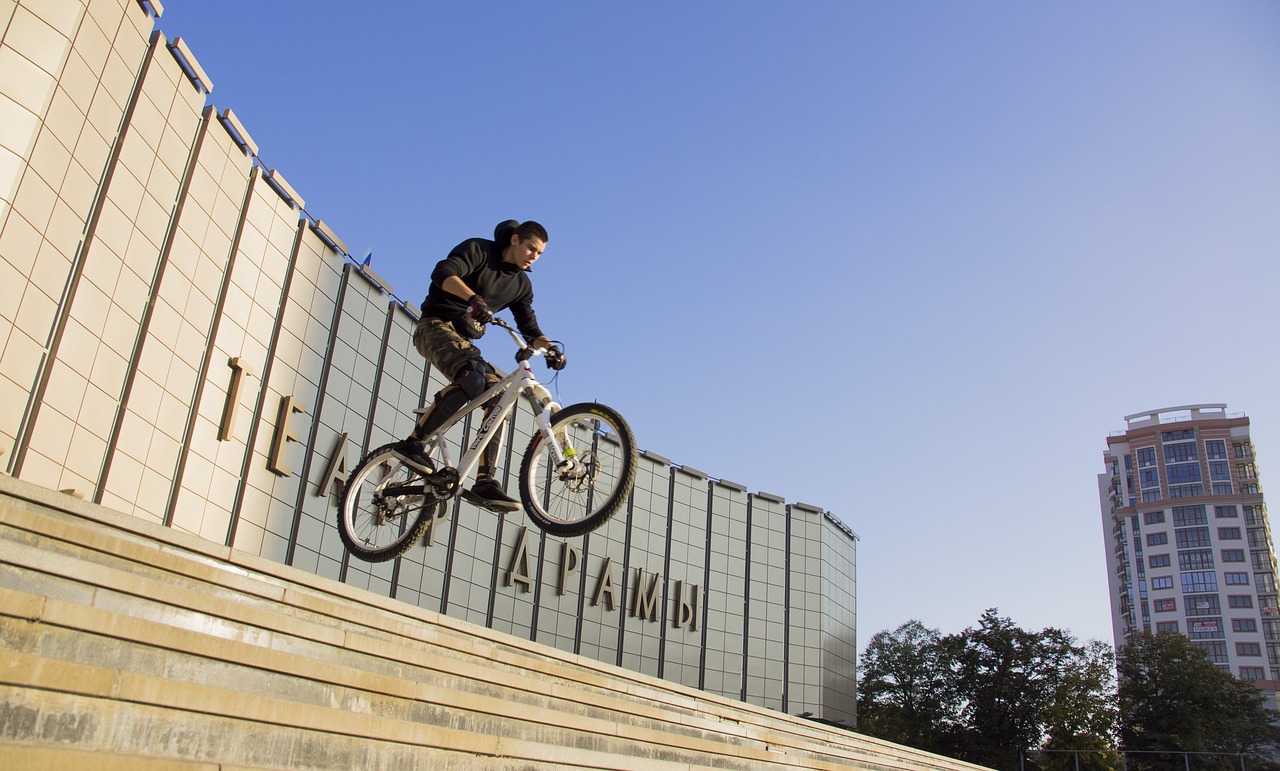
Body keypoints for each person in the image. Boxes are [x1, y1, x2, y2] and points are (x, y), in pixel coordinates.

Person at [394, 220, 565, 512]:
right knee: (471, 376)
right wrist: (472, 299)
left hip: (464, 341)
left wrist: (549, 348)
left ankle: (485, 481)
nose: (533, 257)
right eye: (530, 248)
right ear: (514, 240)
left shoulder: (521, 284)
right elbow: (443, 273)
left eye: (539, 254)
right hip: (434, 326)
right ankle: (413, 443)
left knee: (498, 396)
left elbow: (529, 326)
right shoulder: (479, 250)